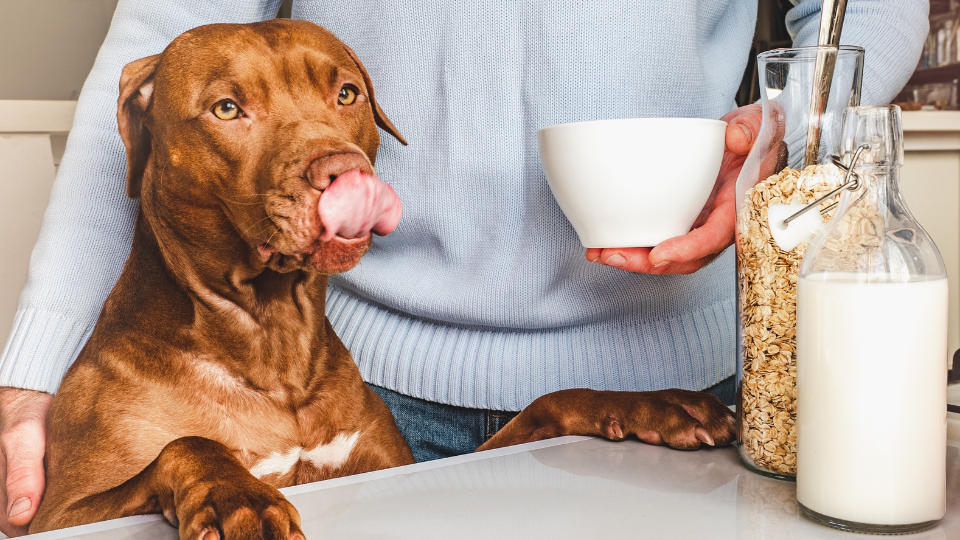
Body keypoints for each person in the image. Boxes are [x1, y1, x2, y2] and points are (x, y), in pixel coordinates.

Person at [0, 0, 927, 535]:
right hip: (369, 366)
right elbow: (156, 41)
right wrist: (34, 372)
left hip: (676, 388)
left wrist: (787, 137)